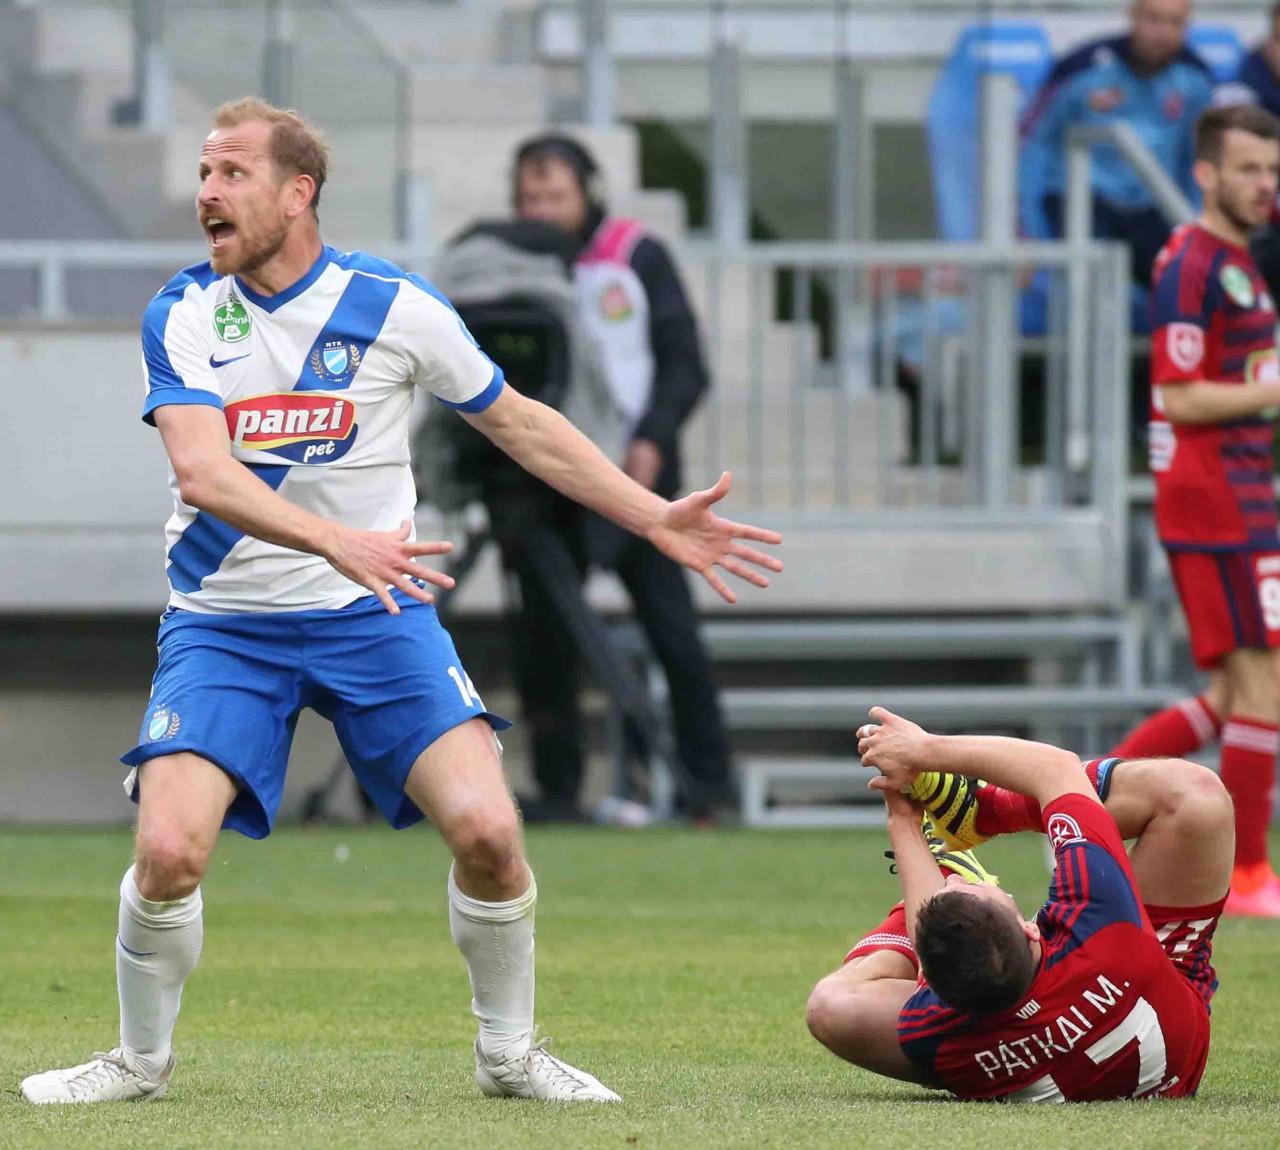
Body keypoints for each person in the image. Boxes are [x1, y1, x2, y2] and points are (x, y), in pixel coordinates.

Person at [18, 98, 782, 1106]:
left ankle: (509, 1055)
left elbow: (520, 422)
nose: (208, 192)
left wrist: (652, 517)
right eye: (203, 172)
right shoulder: (186, 311)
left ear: (299, 193)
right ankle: (138, 1061)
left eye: (232, 173)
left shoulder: (393, 304)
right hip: (226, 621)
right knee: (167, 852)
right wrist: (338, 539)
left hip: (374, 617)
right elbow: (203, 472)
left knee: (491, 834)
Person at [805, 707, 1233, 1101]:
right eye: (966, 884)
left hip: (1029, 1041)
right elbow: (1056, 768)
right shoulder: (1101, 920)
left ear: (933, 985)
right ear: (1030, 928)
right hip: (1159, 992)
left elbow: (932, 958)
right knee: (1197, 798)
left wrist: (903, 819)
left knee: (830, 1007)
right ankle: (984, 809)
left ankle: (956, 845)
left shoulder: (934, 1031)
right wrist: (924, 749)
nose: (954, 882)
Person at [505, 132, 736, 823]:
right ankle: (559, 788)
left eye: (555, 196)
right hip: (554, 483)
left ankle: (710, 789)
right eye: (529, 199)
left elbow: (685, 364)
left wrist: (652, 440)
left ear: (589, 194)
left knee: (674, 635)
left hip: (641, 481)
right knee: (544, 638)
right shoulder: (512, 264)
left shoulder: (637, 256)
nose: (541, 211)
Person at [1108, 103, 1280, 917]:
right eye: (1249, 169)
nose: (1265, 184)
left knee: (1227, 696)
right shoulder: (1191, 265)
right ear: (1206, 174)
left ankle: (1081, 808)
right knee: (1264, 686)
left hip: (1239, 493)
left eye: (1273, 170)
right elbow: (1179, 397)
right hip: (1216, 502)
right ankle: (1244, 875)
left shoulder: (1236, 261)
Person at [1019, 0, 1212, 290]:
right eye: (1154, 19)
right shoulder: (1082, 68)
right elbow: (1033, 140)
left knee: (1193, 282)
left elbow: (1197, 157)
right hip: (1081, 199)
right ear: (1133, 16)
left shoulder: (1195, 78)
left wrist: (1199, 223)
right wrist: (1025, 226)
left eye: (1175, 23)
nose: (1163, 33)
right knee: (1091, 282)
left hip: (1151, 206)